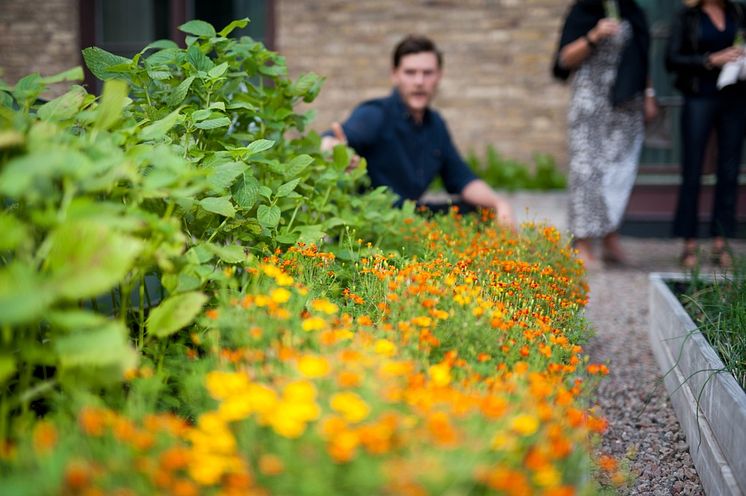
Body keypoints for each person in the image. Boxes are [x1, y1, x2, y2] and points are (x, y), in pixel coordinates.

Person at [321, 35, 515, 227]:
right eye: (410, 72)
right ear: (395, 74)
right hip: (371, 222)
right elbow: (334, 139)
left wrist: (500, 204)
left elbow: (462, 178)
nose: (419, 81)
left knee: (483, 212)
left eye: (427, 72)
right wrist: (336, 151)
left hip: (409, 217)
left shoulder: (436, 125)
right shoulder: (375, 114)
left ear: (439, 75)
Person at [552, 0, 658, 268]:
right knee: (586, 171)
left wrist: (649, 94)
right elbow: (563, 60)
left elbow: (642, 58)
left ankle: (610, 238)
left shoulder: (634, 12)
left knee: (619, 171)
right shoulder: (583, 10)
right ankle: (583, 241)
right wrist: (594, 35)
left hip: (626, 102)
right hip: (591, 101)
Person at [665, 0, 746, 269]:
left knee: (729, 170)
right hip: (699, 97)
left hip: (735, 96)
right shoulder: (688, 17)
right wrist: (711, 60)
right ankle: (689, 243)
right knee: (693, 169)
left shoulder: (738, 12)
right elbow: (671, 59)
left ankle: (720, 242)